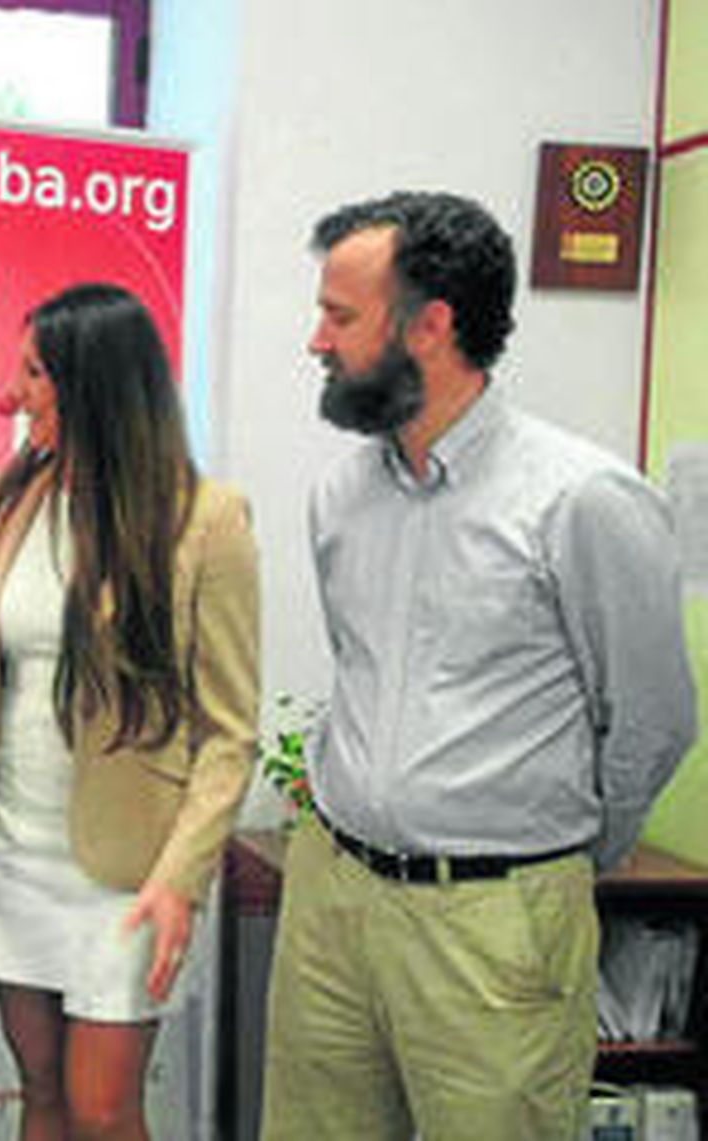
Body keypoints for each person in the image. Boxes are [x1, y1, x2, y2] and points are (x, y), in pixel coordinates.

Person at [261, 191, 699, 1140]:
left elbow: (655, 721)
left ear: (431, 324)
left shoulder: (583, 500)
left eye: (339, 316)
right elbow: (358, 673)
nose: (316, 341)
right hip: (333, 895)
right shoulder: (341, 493)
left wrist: (546, 860)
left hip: (493, 924)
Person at [0, 282, 261, 1141]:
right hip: (11, 849)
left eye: (35, 372)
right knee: (40, 1094)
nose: (14, 391)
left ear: (94, 386)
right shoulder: (5, 496)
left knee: (105, 1111)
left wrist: (183, 879)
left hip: (129, 875)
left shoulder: (204, 519)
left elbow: (229, 732)